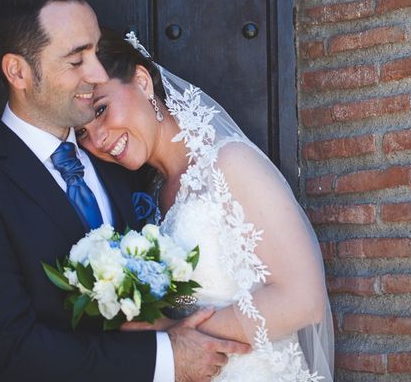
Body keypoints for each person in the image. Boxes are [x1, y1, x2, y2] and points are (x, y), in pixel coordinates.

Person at [0, 0, 249, 382]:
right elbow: (9, 350)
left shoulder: (122, 160)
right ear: (18, 72)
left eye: (95, 50)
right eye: (77, 61)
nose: (96, 73)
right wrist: (164, 358)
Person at [76, 28, 335, 381]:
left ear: (141, 82)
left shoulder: (230, 163)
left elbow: (304, 301)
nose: (98, 139)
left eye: (102, 109)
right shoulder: (151, 196)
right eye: (81, 133)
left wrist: (171, 332)